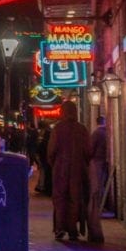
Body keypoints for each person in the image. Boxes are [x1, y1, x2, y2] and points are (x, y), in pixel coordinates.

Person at [47, 101, 90, 241]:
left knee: (60, 199)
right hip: (77, 170)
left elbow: (51, 151)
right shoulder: (82, 129)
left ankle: (60, 228)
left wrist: (54, 165)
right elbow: (88, 152)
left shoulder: (57, 129)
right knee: (75, 199)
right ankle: (72, 229)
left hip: (60, 170)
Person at [87, 116, 108, 243]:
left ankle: (98, 204)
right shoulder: (107, 132)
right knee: (101, 184)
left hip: (97, 162)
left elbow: (90, 149)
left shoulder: (96, 133)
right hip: (104, 161)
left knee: (96, 186)